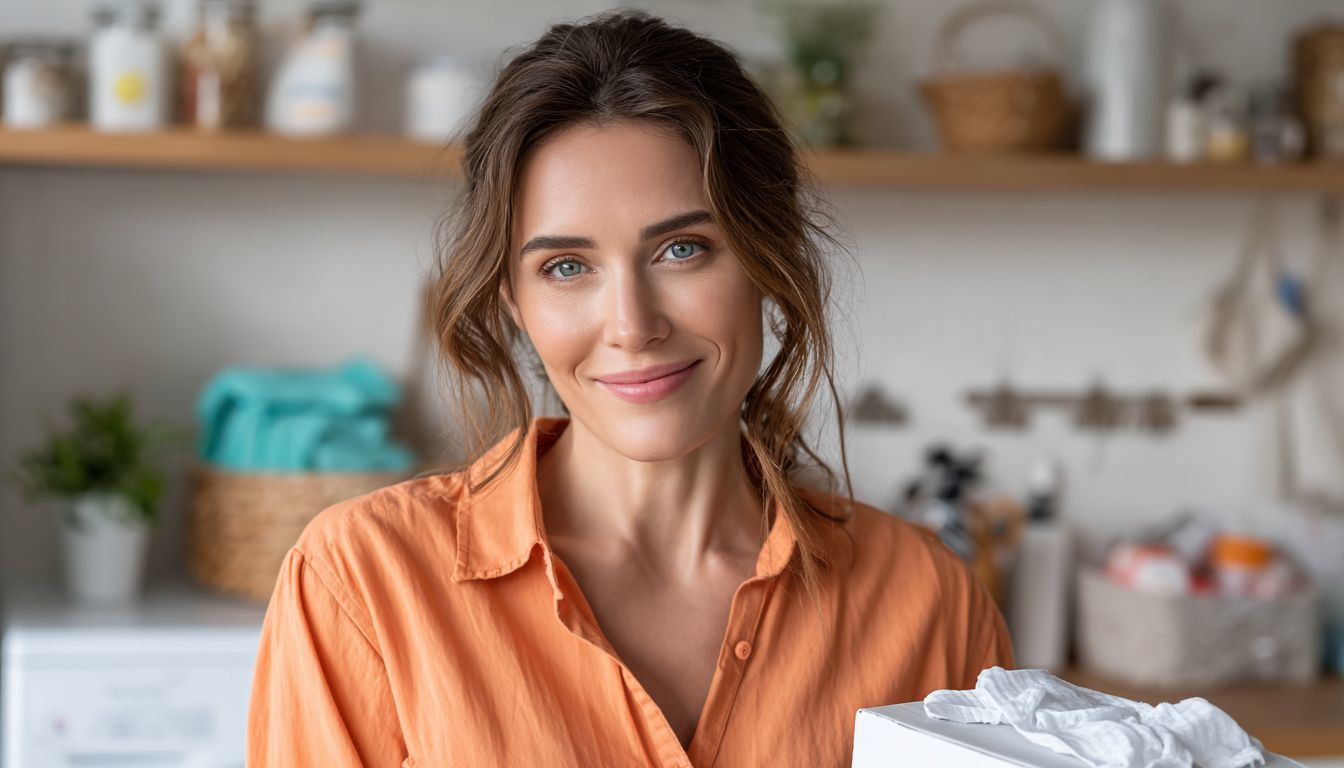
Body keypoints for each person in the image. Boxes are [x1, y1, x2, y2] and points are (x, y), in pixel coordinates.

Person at [247, 9, 1013, 767]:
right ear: (514, 302)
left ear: (767, 259)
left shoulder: (929, 602)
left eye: (682, 249)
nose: (632, 325)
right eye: (566, 267)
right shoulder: (361, 582)